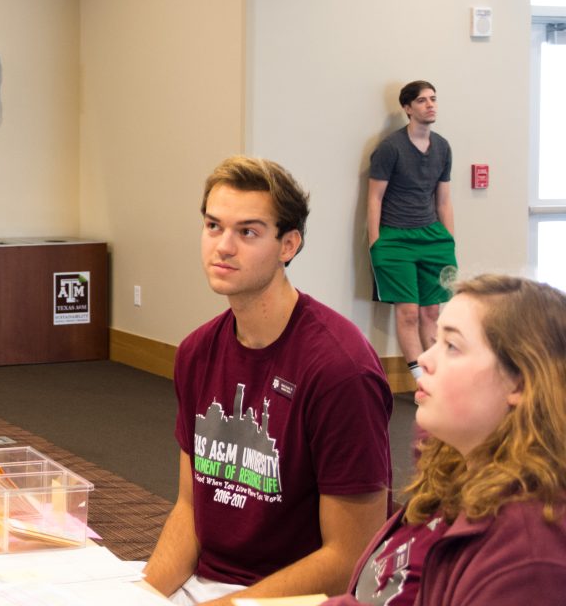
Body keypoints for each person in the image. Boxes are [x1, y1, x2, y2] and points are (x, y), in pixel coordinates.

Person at [145, 156, 393, 606]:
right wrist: (140, 596)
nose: (222, 246)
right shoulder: (197, 352)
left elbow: (351, 556)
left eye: (248, 232)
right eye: (213, 226)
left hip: (298, 598)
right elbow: (189, 511)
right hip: (209, 588)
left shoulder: (340, 370)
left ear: (288, 244)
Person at [324, 274, 566, 605]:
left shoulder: (529, 557)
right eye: (435, 341)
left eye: (452, 346)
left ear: (520, 384)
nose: (424, 359)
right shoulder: (455, 473)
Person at [367, 80, 457, 380]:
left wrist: (449, 241)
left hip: (433, 238)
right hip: (395, 240)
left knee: (432, 313)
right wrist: (376, 245)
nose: (430, 105)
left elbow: (443, 200)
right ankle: (421, 383)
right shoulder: (390, 148)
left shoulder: (442, 147)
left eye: (433, 98)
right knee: (407, 313)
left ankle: (435, 378)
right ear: (407, 108)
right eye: (421, 100)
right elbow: (374, 198)